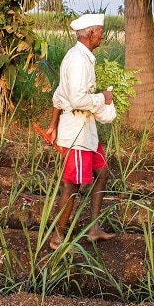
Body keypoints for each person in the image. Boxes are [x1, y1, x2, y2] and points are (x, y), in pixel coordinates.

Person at [45, 13, 117, 250]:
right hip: (76, 133)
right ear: (89, 34)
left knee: (103, 172)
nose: (102, 35)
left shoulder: (84, 57)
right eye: (100, 31)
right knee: (72, 186)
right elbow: (75, 99)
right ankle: (57, 237)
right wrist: (103, 98)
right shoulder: (77, 60)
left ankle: (94, 229)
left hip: (87, 131)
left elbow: (59, 94)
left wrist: (52, 126)